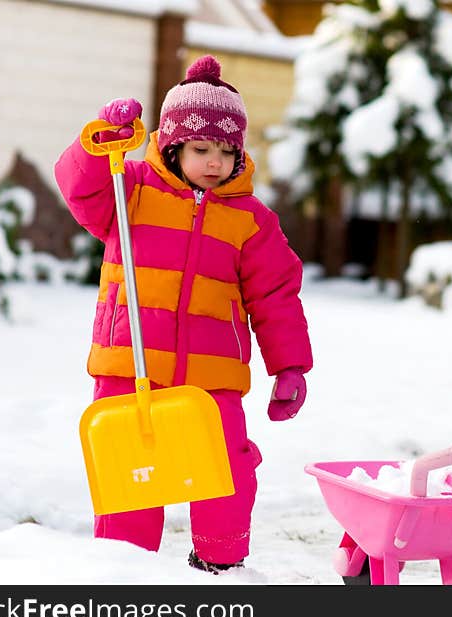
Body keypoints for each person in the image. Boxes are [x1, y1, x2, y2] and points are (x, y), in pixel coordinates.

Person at [54, 55, 313, 574]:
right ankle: (123, 567)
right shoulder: (130, 191)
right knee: (131, 468)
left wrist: (289, 367)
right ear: (172, 146)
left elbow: (276, 295)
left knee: (226, 469)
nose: (214, 162)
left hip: (211, 374)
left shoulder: (250, 221)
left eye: (225, 151)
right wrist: (100, 139)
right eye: (200, 149)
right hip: (132, 364)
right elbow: (79, 187)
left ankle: (221, 563)